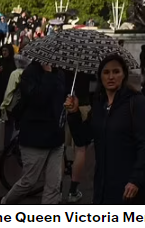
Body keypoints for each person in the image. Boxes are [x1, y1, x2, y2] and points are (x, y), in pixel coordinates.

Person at [66, 53, 145, 204]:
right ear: (100, 76)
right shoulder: (99, 105)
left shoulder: (137, 102)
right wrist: (74, 113)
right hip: (102, 187)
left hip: (129, 188)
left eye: (116, 72)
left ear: (124, 74)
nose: (111, 77)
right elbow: (82, 138)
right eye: (106, 72)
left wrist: (135, 179)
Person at [0, 60, 66, 205]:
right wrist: (47, 74)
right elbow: (37, 99)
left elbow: (60, 98)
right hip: (35, 136)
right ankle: (5, 203)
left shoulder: (59, 72)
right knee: (29, 181)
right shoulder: (30, 73)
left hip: (56, 136)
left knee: (54, 184)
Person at [64, 69, 92, 203]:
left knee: (60, 149)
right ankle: (73, 190)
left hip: (64, 106)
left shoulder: (62, 60)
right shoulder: (87, 63)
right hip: (82, 105)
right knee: (80, 149)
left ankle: (57, 189)